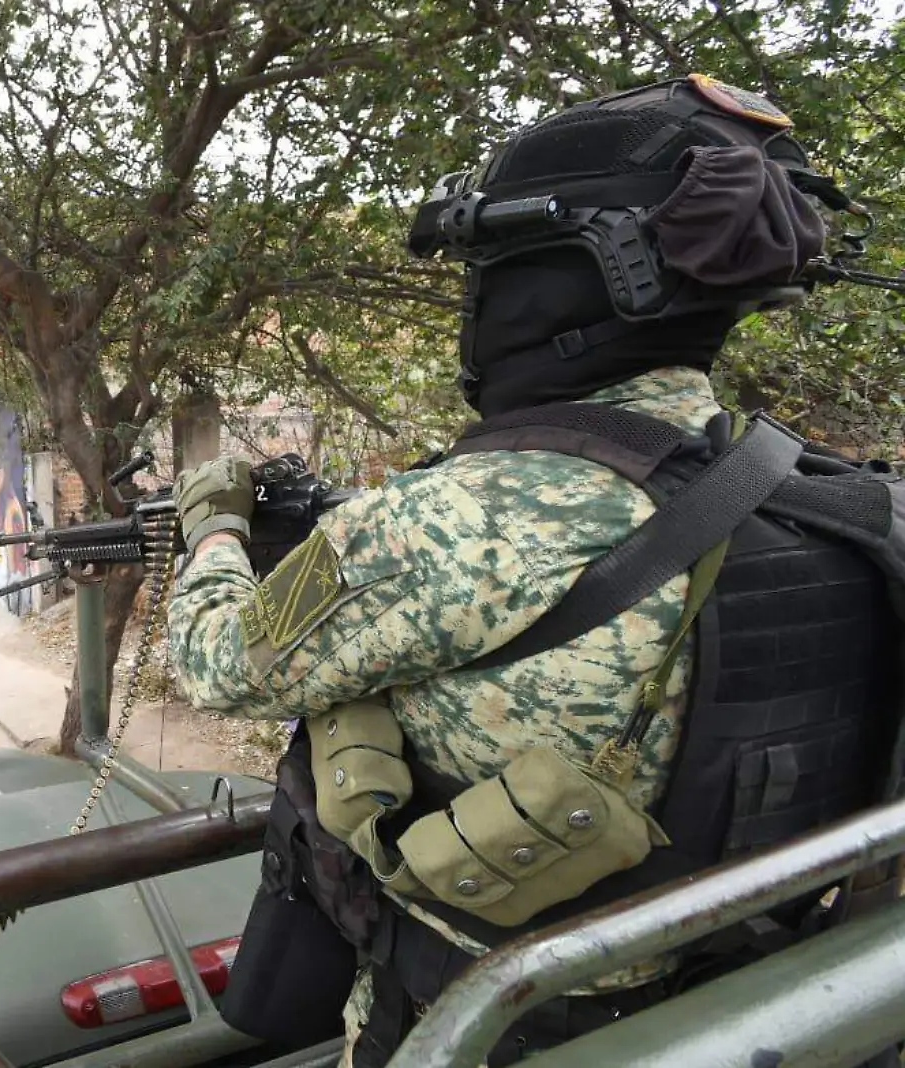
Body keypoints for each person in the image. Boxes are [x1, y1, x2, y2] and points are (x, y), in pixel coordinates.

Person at [167, 76, 903, 1066]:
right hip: (771, 1015)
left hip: (486, 1033)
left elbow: (216, 663)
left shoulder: (446, 523)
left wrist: (211, 529)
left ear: (564, 279)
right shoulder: (852, 506)